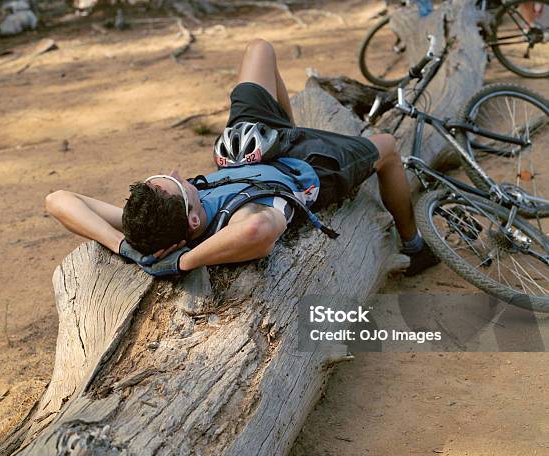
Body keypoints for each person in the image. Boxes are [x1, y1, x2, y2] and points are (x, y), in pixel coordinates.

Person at [45, 39, 439, 277]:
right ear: (195, 219)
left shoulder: (145, 227)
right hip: (309, 168)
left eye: (162, 177)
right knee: (386, 146)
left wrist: (124, 248)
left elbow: (58, 200)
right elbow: (256, 234)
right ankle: (413, 244)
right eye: (180, 185)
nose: (181, 173)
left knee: (259, 50)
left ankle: (288, 124)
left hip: (250, 148)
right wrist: (183, 264)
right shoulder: (238, 220)